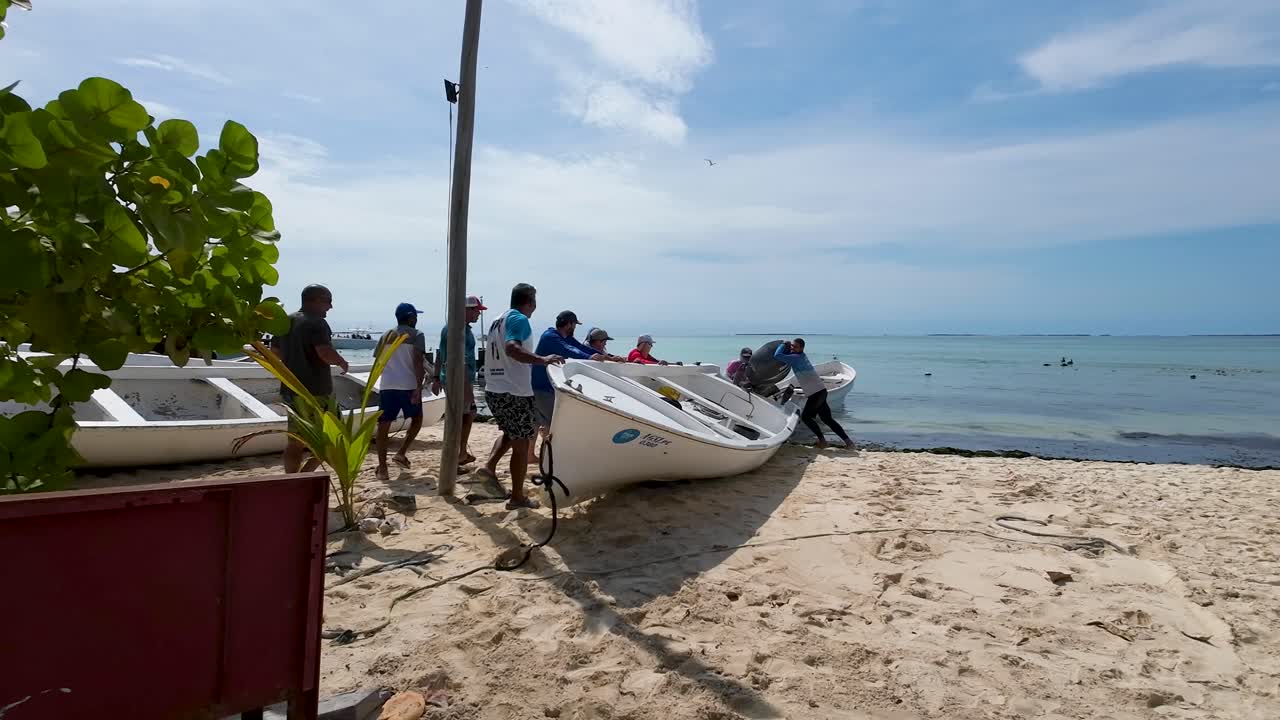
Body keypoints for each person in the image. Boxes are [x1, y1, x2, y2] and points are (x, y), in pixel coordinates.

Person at [479, 283, 564, 510]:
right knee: (521, 444)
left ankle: (488, 467)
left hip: (494, 389)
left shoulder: (499, 319)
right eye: (535, 301)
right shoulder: (519, 319)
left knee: (511, 432)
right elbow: (512, 348)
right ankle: (517, 498)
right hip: (513, 390)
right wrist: (542, 359)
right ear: (530, 302)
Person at [270, 284, 350, 473]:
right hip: (316, 392)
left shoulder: (285, 322)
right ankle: (306, 473)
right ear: (316, 300)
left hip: (291, 391)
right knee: (333, 438)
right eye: (328, 301)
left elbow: (274, 353)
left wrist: (295, 357)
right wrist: (341, 361)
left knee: (295, 441)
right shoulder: (317, 323)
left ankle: (292, 479)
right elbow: (323, 352)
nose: (330, 307)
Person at [530, 311, 621, 459]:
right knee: (552, 423)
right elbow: (569, 350)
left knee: (538, 422)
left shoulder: (564, 337)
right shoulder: (551, 336)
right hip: (541, 386)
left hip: (546, 385)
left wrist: (609, 357)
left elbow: (581, 347)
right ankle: (547, 457)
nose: (575, 328)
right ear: (569, 324)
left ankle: (532, 456)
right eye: (574, 325)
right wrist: (589, 357)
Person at [373, 303, 427, 480]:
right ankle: (401, 452)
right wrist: (419, 386)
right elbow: (418, 361)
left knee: (384, 425)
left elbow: (378, 362)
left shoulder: (385, 335)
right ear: (411, 317)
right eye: (415, 316)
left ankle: (382, 468)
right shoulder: (417, 335)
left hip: (388, 386)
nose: (417, 319)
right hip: (409, 385)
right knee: (417, 419)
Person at [432, 295, 486, 469]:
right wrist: (468, 390)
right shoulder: (457, 329)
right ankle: (458, 453)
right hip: (459, 380)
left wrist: (435, 377)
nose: (479, 314)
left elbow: (440, 352)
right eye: (477, 310)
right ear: (467, 310)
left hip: (456, 379)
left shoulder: (457, 328)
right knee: (463, 416)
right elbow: (459, 360)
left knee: (465, 415)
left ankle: (460, 452)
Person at [775, 338, 853, 449]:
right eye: (792, 346)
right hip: (821, 391)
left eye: (795, 346)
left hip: (816, 393)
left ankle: (823, 441)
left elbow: (777, 355)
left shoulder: (796, 358)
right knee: (827, 419)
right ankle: (849, 443)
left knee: (806, 417)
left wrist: (783, 344)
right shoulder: (800, 355)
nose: (792, 348)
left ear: (801, 348)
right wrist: (788, 348)